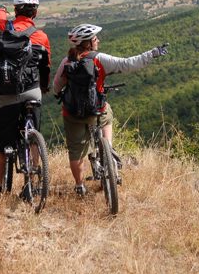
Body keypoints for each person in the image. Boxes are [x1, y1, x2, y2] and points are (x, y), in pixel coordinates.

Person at [53, 23, 168, 196]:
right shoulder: (99, 59)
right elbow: (128, 64)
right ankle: (108, 151)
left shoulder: (67, 61)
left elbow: (56, 88)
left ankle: (79, 186)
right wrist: (152, 54)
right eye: (95, 38)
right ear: (88, 43)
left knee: (76, 151)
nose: (98, 40)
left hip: (73, 113)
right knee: (107, 114)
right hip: (96, 110)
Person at [0, 0, 51, 193]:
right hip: (32, 92)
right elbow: (45, 67)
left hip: (6, 93)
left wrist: (1, 9)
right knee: (33, 133)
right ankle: (33, 178)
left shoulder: (5, 28)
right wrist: (43, 88)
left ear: (15, 11)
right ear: (35, 12)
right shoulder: (41, 36)